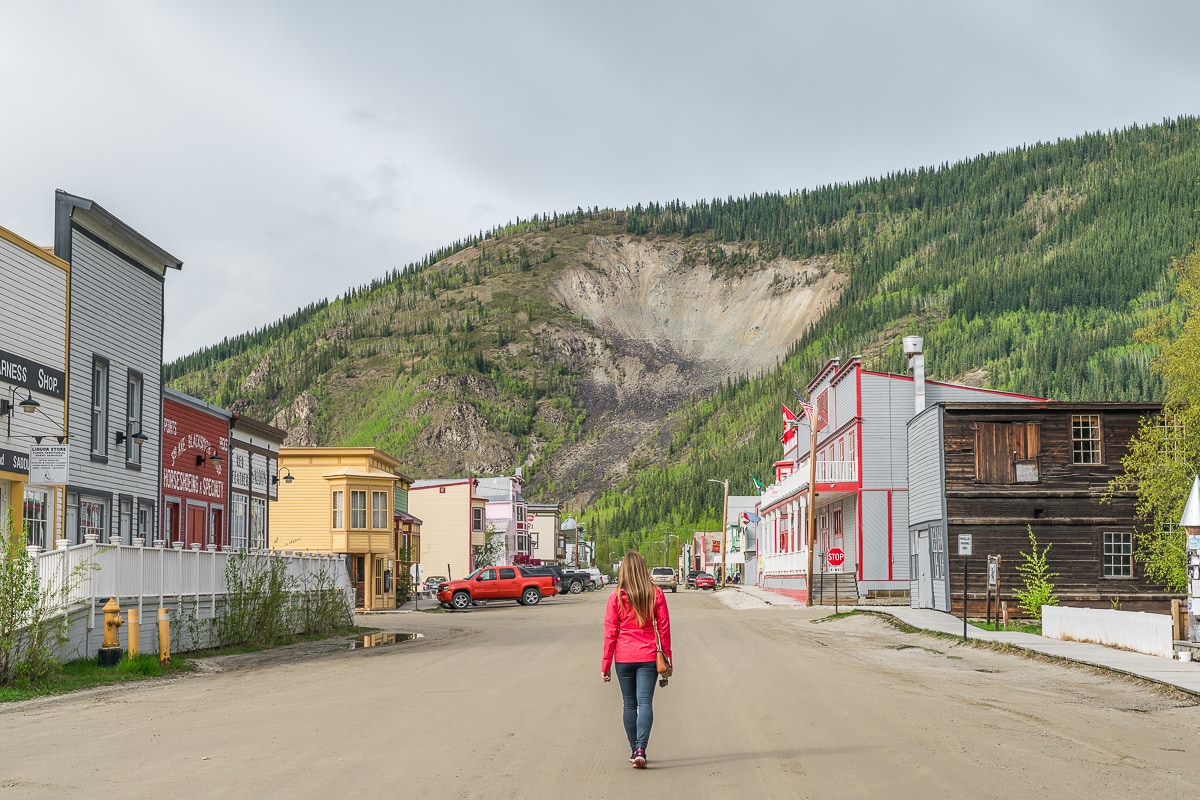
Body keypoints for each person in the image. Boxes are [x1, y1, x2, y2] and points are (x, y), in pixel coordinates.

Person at [601, 549, 672, 769]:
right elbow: (664, 627)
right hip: (649, 655)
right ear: (643, 570)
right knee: (645, 703)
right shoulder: (655, 594)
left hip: (623, 657)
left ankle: (634, 750)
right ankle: (641, 748)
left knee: (629, 704)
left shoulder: (615, 597)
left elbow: (610, 631)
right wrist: (667, 658)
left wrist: (605, 665)